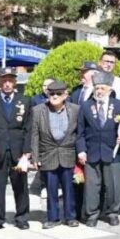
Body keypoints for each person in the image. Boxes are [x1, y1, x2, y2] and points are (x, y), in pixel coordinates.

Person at [76, 72, 120, 227]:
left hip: (112, 152)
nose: (99, 91)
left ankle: (112, 213)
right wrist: (81, 150)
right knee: (92, 187)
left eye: (102, 88)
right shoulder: (85, 106)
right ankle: (92, 214)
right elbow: (80, 132)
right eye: (97, 88)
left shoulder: (119, 105)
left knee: (113, 186)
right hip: (91, 153)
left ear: (110, 90)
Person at [0, 69, 31, 232]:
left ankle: (22, 217)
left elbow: (28, 128)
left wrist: (27, 150)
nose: (7, 83)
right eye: (4, 80)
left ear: (15, 82)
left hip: (18, 151)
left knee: (21, 186)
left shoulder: (24, 100)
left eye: (10, 80)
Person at [29, 80, 80, 228]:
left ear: (65, 95)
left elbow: (79, 133)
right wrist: (35, 157)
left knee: (69, 189)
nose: (55, 96)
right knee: (50, 189)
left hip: (68, 153)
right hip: (47, 154)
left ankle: (70, 217)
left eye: (58, 93)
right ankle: (53, 218)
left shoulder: (75, 110)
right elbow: (34, 135)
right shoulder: (38, 110)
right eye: (52, 93)